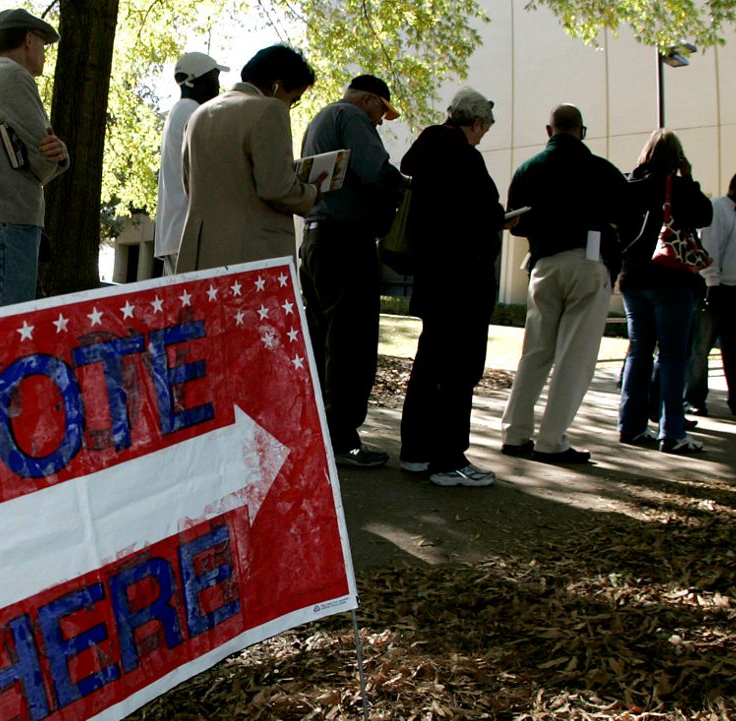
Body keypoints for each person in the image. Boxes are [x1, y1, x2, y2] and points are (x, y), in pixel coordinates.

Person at [499, 104, 629, 464]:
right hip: (589, 263)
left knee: (536, 352)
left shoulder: (529, 170)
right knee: (576, 356)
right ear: (581, 131)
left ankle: (515, 432)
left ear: (548, 130)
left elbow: (517, 221)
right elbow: (627, 214)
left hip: (544, 263)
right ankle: (552, 439)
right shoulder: (601, 170)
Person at [399, 87, 516, 485]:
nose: (482, 137)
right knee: (459, 370)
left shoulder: (426, 151)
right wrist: (500, 220)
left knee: (428, 364)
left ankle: (415, 452)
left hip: (432, 276)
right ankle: (449, 459)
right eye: (483, 130)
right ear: (476, 122)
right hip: (465, 279)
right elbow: (485, 212)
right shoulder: (466, 157)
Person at [299, 74, 406, 468]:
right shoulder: (351, 116)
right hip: (346, 240)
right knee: (352, 341)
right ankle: (343, 439)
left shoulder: (319, 121)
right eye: (382, 111)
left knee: (324, 337)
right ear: (369, 99)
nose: (380, 122)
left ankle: (324, 431)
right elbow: (377, 172)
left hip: (315, 238)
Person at [0, 8, 69, 312]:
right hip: (7, 221)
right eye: (43, 45)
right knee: (6, 333)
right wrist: (61, 154)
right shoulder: (14, 77)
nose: (45, 55)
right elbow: (44, 156)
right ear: (29, 40)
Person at [175, 44, 320, 272]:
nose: (290, 107)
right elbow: (276, 188)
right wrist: (311, 192)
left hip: (200, 254)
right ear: (277, 85)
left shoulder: (199, 114)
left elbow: (189, 185)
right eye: (293, 99)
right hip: (253, 256)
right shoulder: (269, 109)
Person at [618, 129, 713, 453]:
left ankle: (631, 426)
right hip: (670, 279)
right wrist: (689, 177)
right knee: (673, 355)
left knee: (639, 350)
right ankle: (672, 431)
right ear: (677, 157)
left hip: (633, 279)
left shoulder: (630, 186)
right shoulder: (680, 187)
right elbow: (705, 215)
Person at [685, 171, 736, 418]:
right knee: (701, 346)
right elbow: (710, 248)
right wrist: (713, 282)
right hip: (716, 287)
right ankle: (695, 397)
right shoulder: (718, 209)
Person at [155, 52, 227, 276]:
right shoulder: (193, 113)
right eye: (215, 78)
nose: (218, 86)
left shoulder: (177, 112)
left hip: (175, 232)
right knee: (194, 307)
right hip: (189, 234)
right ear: (199, 81)